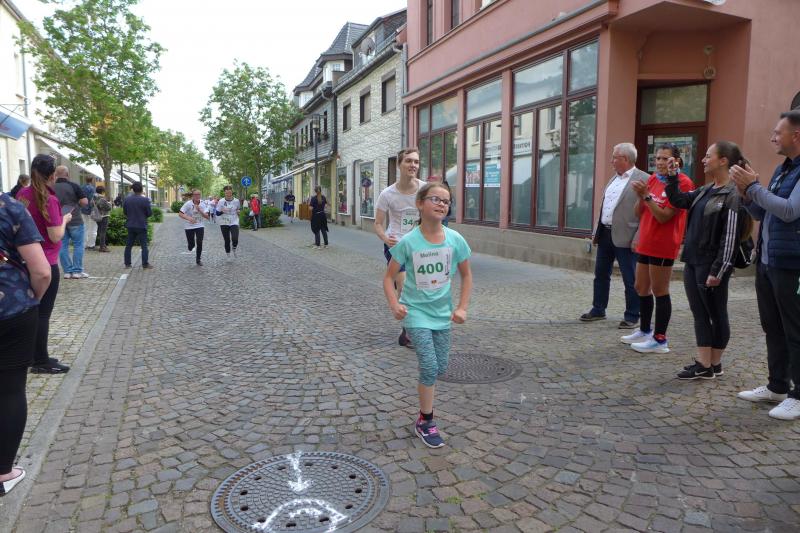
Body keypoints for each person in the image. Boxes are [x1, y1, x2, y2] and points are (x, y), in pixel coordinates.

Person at [383, 182, 472, 448]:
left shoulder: (455, 240)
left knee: (440, 367)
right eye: (436, 199)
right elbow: (388, 278)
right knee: (431, 366)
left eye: (446, 201)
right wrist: (395, 305)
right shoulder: (409, 242)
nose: (442, 204)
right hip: (416, 312)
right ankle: (426, 421)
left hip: (442, 314)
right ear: (420, 204)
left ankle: (425, 410)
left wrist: (462, 307)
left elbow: (467, 276)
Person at [731, 111, 800, 420]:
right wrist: (747, 195)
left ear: (796, 135)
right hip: (768, 261)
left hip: (792, 264)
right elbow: (764, 213)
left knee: (795, 330)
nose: (773, 138)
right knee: (772, 327)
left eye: (777, 133)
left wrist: (755, 187)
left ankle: (798, 396)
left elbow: (789, 211)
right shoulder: (782, 169)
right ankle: (777, 386)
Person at [666, 141, 748, 380]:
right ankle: (706, 363)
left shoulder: (733, 194)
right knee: (699, 312)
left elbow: (730, 237)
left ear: (723, 161)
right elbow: (679, 200)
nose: (703, 159)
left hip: (711, 264)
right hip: (693, 260)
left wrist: (718, 270)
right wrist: (673, 176)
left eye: (707, 155)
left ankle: (713, 362)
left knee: (717, 313)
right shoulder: (706, 190)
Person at [0, 191, 52, 496]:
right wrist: (33, 299)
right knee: (9, 391)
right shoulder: (9, 208)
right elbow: (42, 271)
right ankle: (3, 472)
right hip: (10, 309)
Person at [622, 144, 694, 353]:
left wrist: (646, 196)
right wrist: (640, 196)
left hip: (663, 243)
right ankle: (645, 330)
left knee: (660, 290)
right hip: (646, 241)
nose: (660, 162)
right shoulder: (653, 179)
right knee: (640, 287)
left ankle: (660, 340)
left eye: (665, 159)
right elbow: (639, 213)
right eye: (658, 158)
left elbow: (664, 217)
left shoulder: (683, 182)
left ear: (676, 162)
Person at [580, 143, 648, 328]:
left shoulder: (644, 179)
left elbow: (647, 213)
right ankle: (598, 309)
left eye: (614, 157)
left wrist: (638, 237)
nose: (611, 161)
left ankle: (632, 315)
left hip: (627, 236)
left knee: (630, 278)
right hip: (605, 233)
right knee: (601, 274)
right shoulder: (614, 179)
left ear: (625, 159)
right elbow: (606, 207)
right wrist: (596, 231)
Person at [16, 154, 72, 374]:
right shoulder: (50, 199)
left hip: (24, 259)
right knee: (42, 313)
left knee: (30, 310)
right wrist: (65, 220)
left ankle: (30, 355)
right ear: (52, 176)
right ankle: (40, 360)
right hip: (46, 261)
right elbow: (55, 236)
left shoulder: (23, 194)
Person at [375, 147, 427, 348]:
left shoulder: (425, 189)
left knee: (420, 289)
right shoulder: (387, 194)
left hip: (419, 246)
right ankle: (409, 330)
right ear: (399, 165)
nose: (413, 165)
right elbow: (378, 223)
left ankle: (412, 326)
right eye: (408, 161)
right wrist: (385, 238)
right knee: (404, 287)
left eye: (416, 161)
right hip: (396, 246)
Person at [52, 166, 89, 279]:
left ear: (55, 174)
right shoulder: (74, 186)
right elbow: (84, 202)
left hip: (59, 220)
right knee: (78, 245)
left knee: (62, 246)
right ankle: (77, 271)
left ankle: (67, 271)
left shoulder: (51, 187)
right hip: (75, 219)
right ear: (67, 174)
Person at [122, 182, 153, 269]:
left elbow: (125, 212)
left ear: (133, 189)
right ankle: (145, 264)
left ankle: (127, 264)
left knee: (128, 245)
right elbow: (149, 213)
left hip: (130, 225)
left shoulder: (127, 199)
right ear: (141, 190)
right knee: (144, 246)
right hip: (141, 225)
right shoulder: (145, 200)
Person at [179, 190, 209, 265]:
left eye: (198, 194)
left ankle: (198, 259)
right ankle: (191, 246)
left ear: (200, 195)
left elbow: (207, 217)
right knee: (191, 245)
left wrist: (200, 210)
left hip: (200, 225)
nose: (197, 196)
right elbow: (180, 214)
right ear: (193, 196)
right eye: (195, 194)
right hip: (189, 226)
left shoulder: (204, 203)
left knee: (199, 241)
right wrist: (189, 218)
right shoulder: (188, 204)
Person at [216, 185, 240, 258]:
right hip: (224, 222)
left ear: (232, 192)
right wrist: (222, 211)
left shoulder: (236, 201)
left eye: (230, 193)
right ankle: (228, 254)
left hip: (234, 221)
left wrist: (239, 211)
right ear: (224, 193)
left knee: (235, 238)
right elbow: (217, 213)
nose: (228, 195)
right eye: (227, 193)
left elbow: (239, 209)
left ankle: (234, 247)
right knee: (227, 240)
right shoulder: (221, 201)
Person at [91, 186, 113, 252]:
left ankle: (103, 245)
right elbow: (108, 207)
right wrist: (110, 202)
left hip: (97, 216)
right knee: (103, 232)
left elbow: (91, 205)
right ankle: (102, 247)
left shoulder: (93, 197)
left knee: (100, 231)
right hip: (104, 216)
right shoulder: (102, 198)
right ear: (102, 191)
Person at [81, 179, 97, 250]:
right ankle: (91, 244)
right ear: (92, 180)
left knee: (85, 227)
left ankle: (84, 244)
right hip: (91, 211)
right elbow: (92, 200)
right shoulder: (93, 188)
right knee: (93, 228)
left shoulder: (82, 187)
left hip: (83, 210)